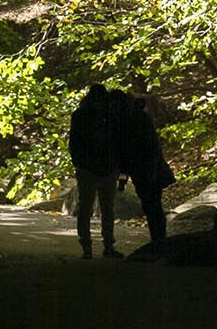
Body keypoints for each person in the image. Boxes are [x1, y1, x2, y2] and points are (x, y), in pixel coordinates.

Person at [66, 83, 174, 257]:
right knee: (105, 208)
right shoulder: (115, 118)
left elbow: (144, 146)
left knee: (101, 207)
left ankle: (153, 245)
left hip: (122, 169)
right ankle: (106, 246)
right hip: (113, 169)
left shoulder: (119, 118)